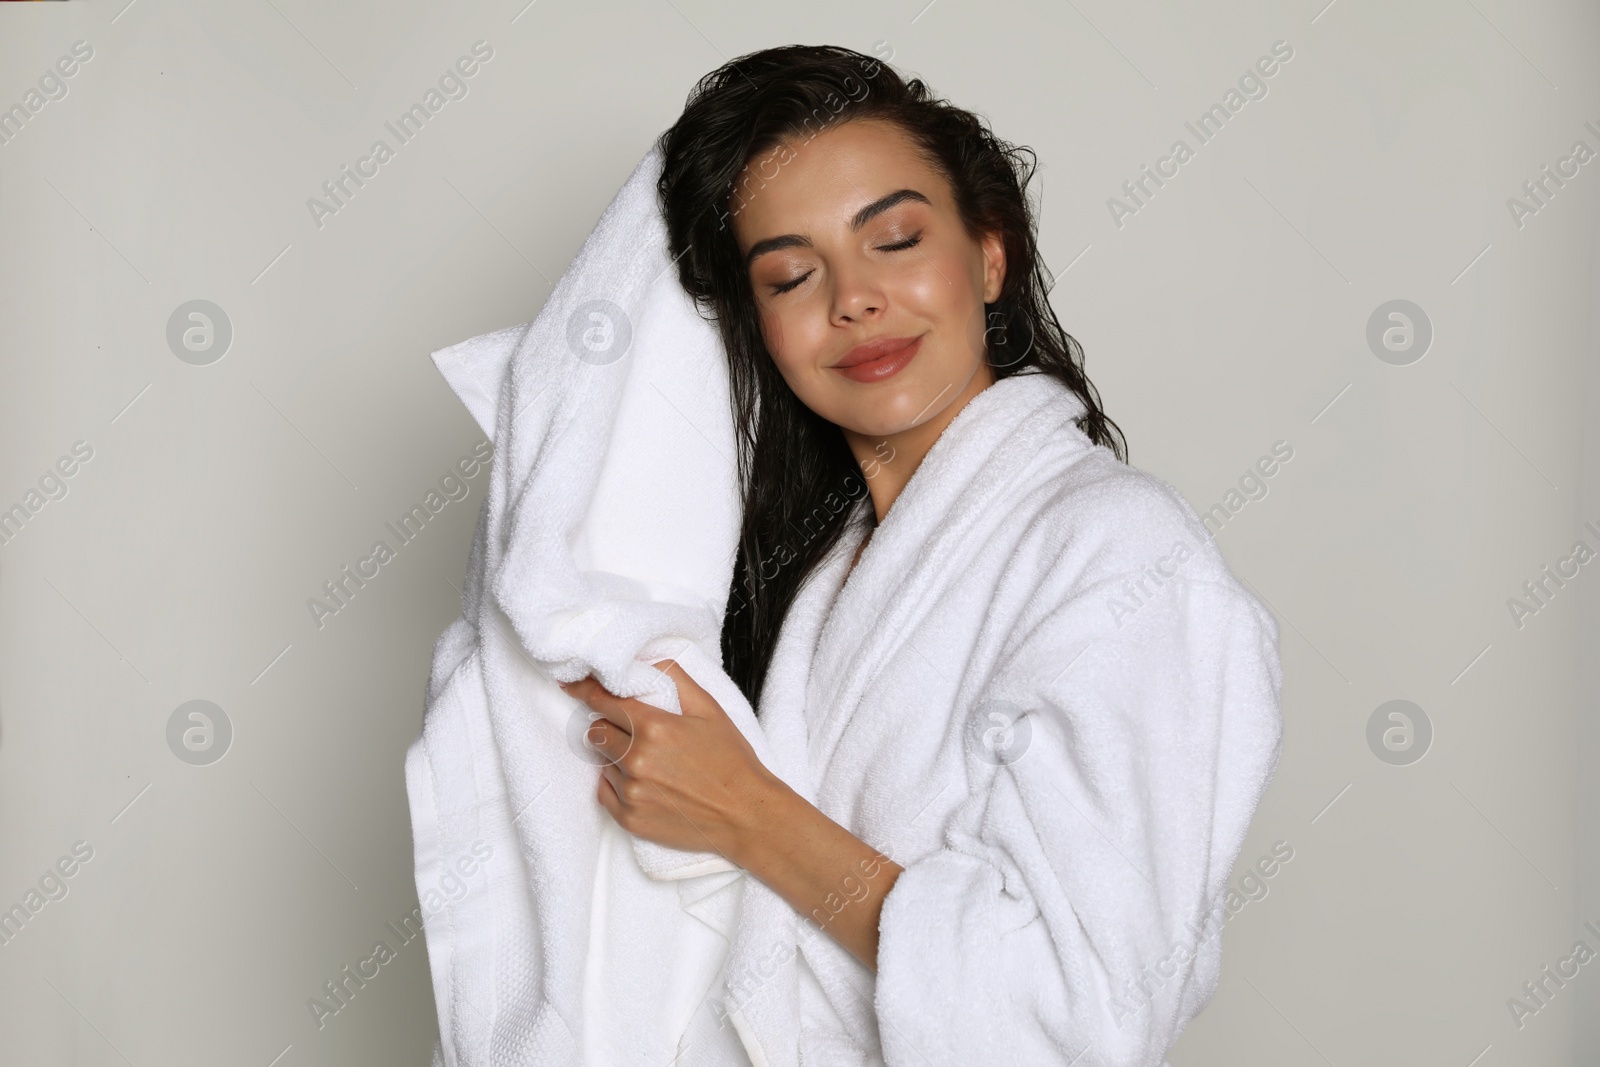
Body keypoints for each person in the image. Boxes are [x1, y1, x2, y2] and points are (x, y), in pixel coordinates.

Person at [560, 43, 1283, 1066]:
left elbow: (1079, 1014)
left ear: (990, 255)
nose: (851, 298)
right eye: (791, 273)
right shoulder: (815, 574)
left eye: (895, 239)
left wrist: (748, 811)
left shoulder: (1124, 556)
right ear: (757, 326)